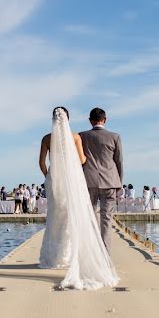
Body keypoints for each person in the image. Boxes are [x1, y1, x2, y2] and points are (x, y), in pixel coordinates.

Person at [38, 107, 119, 290]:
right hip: (72, 181)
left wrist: (48, 176)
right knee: (71, 216)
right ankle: (69, 256)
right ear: (68, 119)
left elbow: (42, 162)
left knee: (55, 216)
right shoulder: (75, 137)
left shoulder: (46, 138)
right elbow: (82, 160)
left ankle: (53, 257)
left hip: (54, 181)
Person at [79, 107, 124, 254]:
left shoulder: (81, 136)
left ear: (90, 121)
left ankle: (91, 253)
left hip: (88, 181)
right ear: (105, 120)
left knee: (89, 217)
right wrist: (119, 183)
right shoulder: (115, 137)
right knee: (106, 219)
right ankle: (105, 254)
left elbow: (78, 160)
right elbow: (119, 162)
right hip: (110, 182)